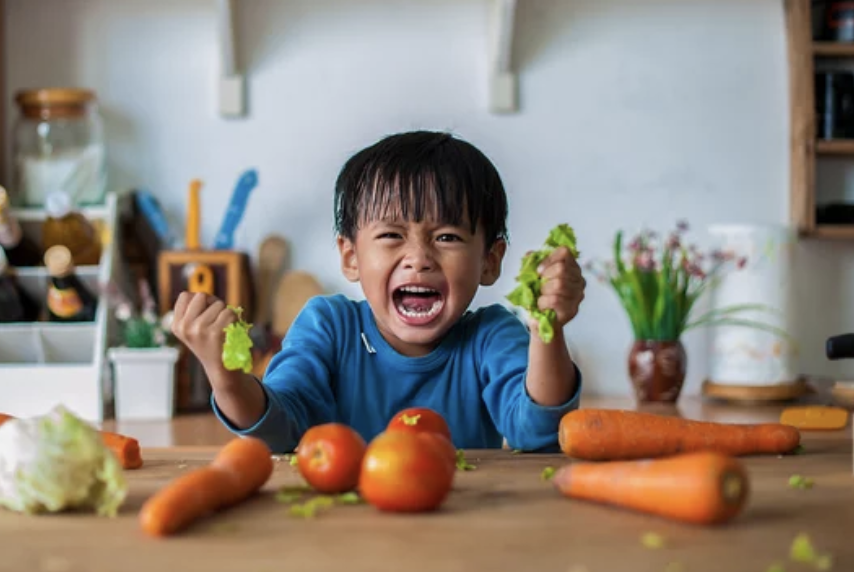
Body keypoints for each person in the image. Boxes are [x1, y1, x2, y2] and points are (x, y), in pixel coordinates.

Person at [170, 130, 586, 454]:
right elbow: (277, 432)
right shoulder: (328, 328)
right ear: (351, 257)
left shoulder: (492, 336)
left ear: (490, 261)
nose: (418, 258)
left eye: (447, 237)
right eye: (391, 235)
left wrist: (546, 327)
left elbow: (538, 433)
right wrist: (224, 377)